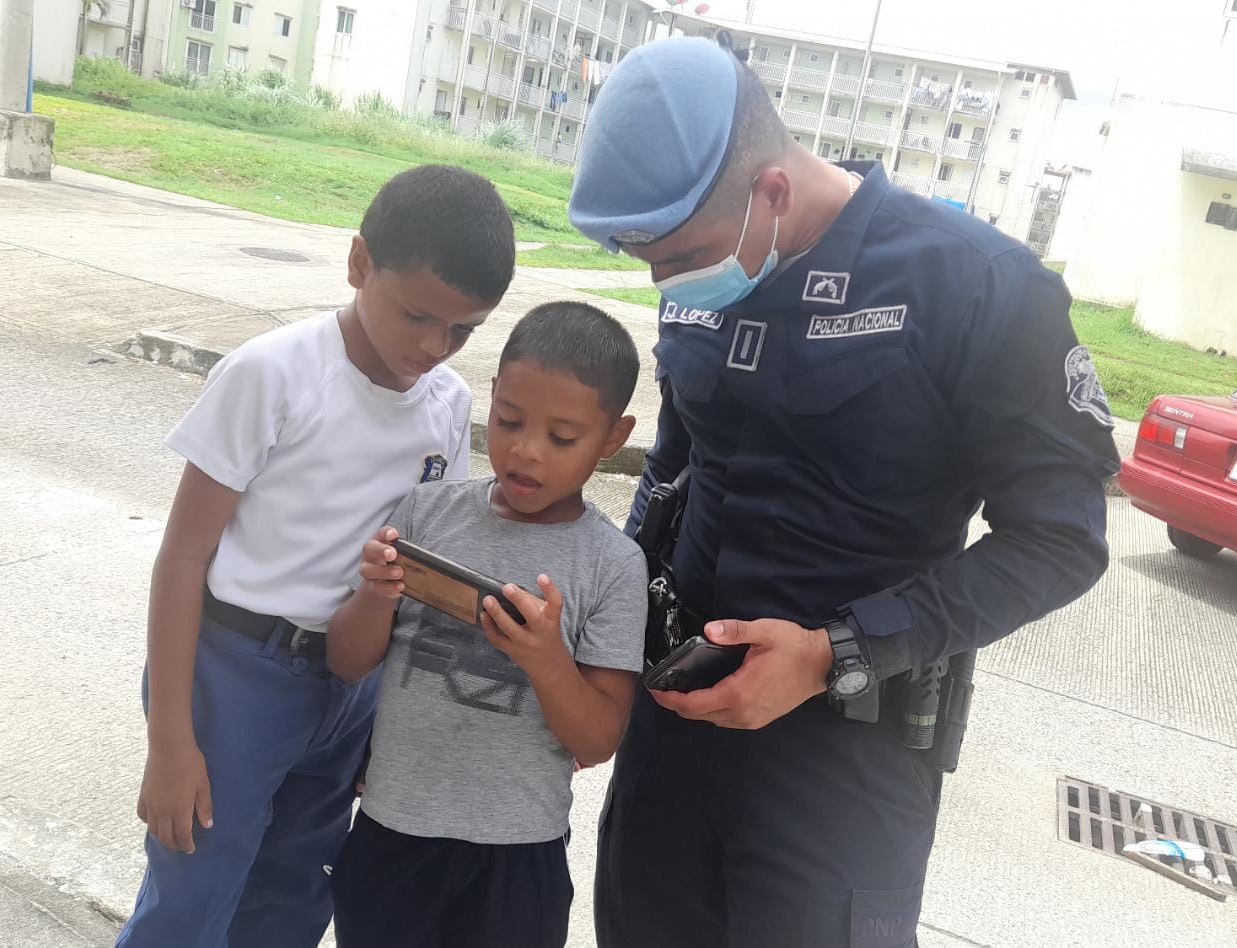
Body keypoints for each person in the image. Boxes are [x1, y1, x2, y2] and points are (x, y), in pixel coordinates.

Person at [567, 37, 1121, 948]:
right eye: (649, 262)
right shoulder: (705, 261)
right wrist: (606, 608)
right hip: (675, 725)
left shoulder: (976, 285)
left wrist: (834, 653)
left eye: (682, 256)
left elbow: (1062, 540)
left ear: (772, 193)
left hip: (841, 759)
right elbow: (676, 468)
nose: (666, 282)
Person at [116, 164, 516, 948]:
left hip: (348, 688)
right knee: (191, 903)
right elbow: (182, 558)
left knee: (294, 897)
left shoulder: (447, 406)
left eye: (462, 331)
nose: (435, 347)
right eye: (417, 316)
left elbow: (417, 574)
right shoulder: (271, 375)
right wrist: (170, 741)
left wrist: (385, 721)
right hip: (234, 678)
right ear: (359, 262)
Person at [325, 302, 647, 948]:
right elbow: (346, 661)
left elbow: (599, 737)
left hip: (518, 852)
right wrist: (375, 595)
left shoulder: (613, 564)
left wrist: (547, 661)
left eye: (562, 438)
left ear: (613, 439)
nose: (526, 450)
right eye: (509, 420)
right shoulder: (427, 511)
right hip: (393, 832)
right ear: (493, 396)